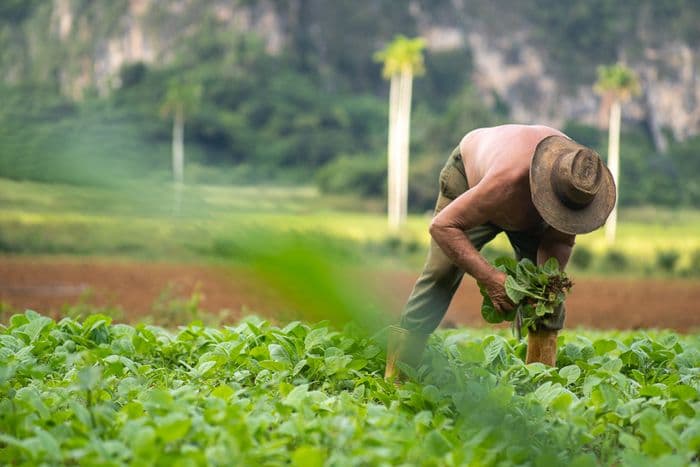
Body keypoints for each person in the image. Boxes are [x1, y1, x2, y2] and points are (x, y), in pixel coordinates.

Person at [384, 124, 616, 378]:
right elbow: (442, 227)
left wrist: (541, 288)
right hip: (472, 186)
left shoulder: (577, 186)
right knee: (440, 273)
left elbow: (559, 243)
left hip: (526, 212)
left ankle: (540, 381)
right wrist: (491, 278)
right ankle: (397, 376)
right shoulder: (509, 179)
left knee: (547, 293)